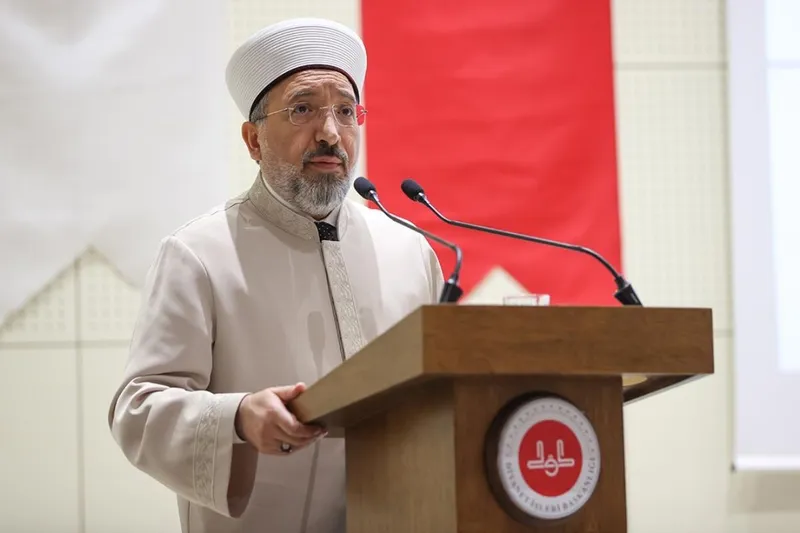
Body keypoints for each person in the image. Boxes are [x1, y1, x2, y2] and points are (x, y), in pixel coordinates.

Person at [107, 17, 445, 533]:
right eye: (303, 109)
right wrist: (238, 417)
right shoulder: (197, 254)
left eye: (345, 111)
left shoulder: (410, 250)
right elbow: (138, 410)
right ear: (253, 139)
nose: (330, 133)